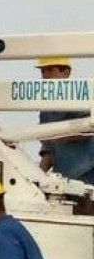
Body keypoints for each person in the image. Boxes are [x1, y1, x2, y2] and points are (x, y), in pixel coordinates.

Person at [36, 57, 94, 213]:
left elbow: (88, 130)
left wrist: (58, 137)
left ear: (66, 72)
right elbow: (48, 149)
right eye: (43, 71)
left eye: (50, 70)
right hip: (64, 181)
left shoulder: (82, 97)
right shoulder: (45, 108)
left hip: (89, 175)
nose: (46, 75)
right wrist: (35, 177)